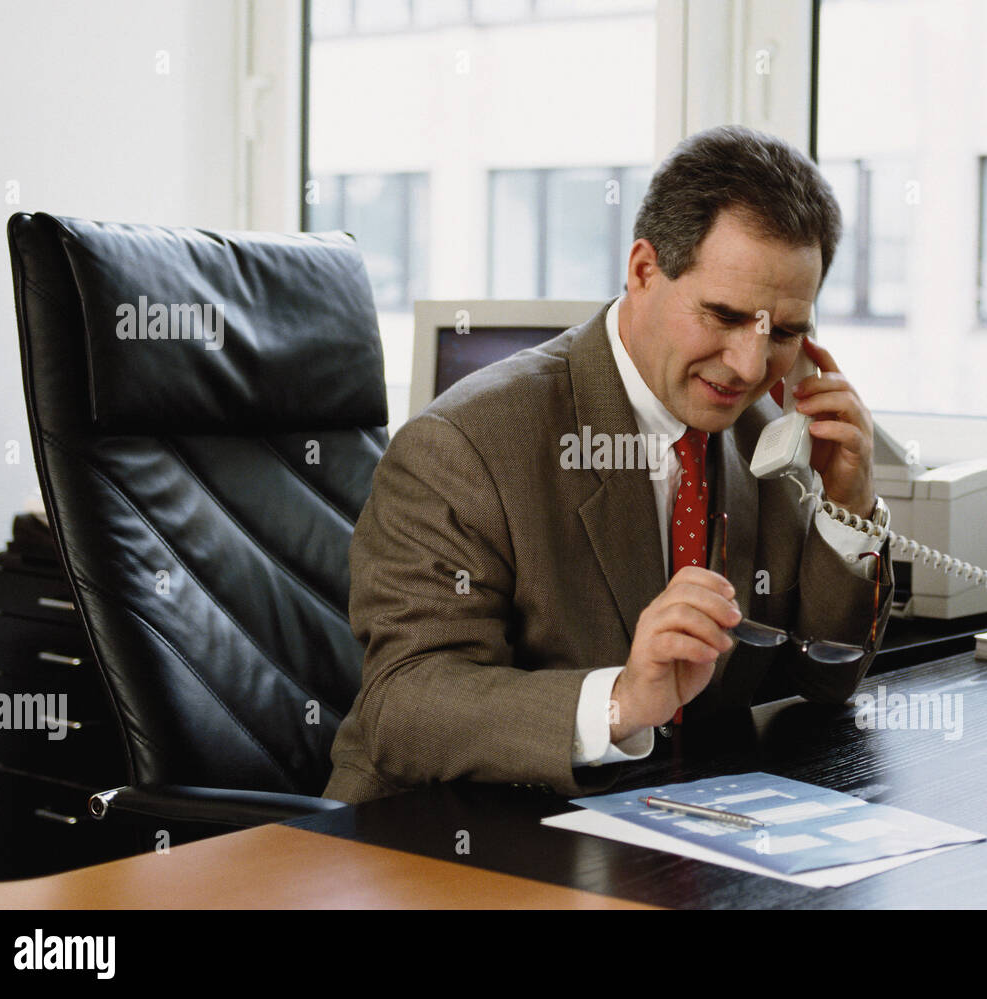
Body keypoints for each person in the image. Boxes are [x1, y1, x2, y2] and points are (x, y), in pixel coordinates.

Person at [324, 125, 894, 802]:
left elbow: (825, 678)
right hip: (436, 845)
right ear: (644, 271)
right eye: (722, 314)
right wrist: (620, 700)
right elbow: (403, 706)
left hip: (655, 831)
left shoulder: (765, 437)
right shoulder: (464, 445)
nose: (748, 365)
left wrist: (846, 507)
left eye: (786, 330)